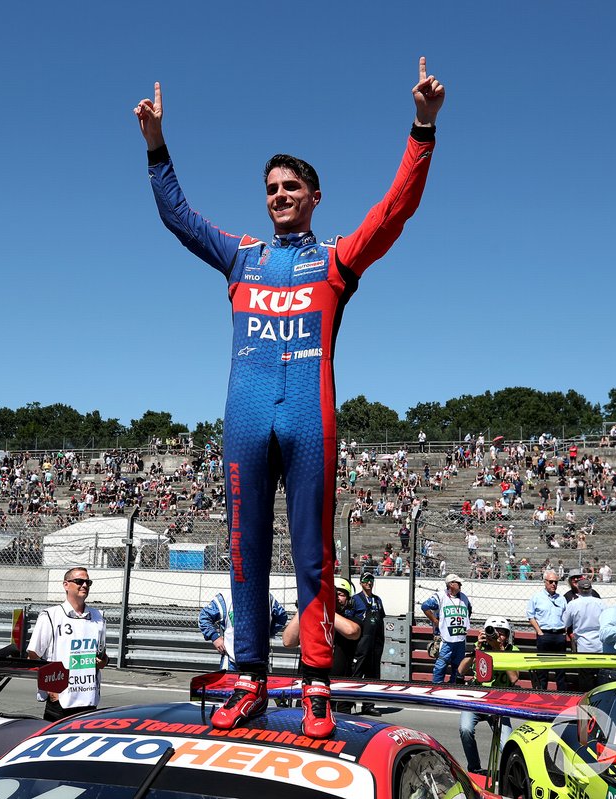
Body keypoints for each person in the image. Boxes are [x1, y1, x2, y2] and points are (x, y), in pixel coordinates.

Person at [136, 57, 444, 739]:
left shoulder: (334, 259)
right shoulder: (242, 255)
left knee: (313, 558)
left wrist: (422, 128)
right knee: (245, 549)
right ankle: (248, 677)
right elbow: (178, 217)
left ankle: (315, 686)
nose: (278, 195)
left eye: (291, 186)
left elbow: (395, 210)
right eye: (271, 187)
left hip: (309, 417)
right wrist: (157, 145)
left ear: (314, 195)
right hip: (245, 419)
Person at [26, 567, 108, 721]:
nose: (84, 585)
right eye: (79, 581)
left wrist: (103, 661)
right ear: (66, 585)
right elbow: (33, 655)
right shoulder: (51, 615)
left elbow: (102, 655)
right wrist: (51, 689)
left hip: (88, 698)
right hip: (61, 701)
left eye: (87, 582)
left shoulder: (98, 617)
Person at [282, 579, 361, 713]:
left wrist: (324, 608)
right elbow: (288, 641)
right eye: (333, 594)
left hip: (338, 696)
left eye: (340, 594)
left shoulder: (352, 620)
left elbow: (352, 631)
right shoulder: (311, 618)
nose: (336, 598)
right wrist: (305, 605)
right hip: (310, 690)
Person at [457, 617, 519, 776]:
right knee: (465, 729)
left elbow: (514, 678)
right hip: (476, 698)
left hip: (499, 702)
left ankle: (510, 775)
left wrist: (500, 651)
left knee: (507, 744)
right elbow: (460, 670)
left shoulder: (512, 650)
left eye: (502, 633)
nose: (497, 636)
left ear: (507, 635)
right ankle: (474, 768)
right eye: (493, 632)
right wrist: (476, 649)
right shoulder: (480, 648)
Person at [198, 589, 288, 670]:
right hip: (231, 661)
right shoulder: (225, 598)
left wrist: (268, 633)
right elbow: (204, 617)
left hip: (259, 661)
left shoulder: (266, 597)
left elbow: (281, 617)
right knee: (229, 687)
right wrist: (215, 637)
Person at [422, 574, 471, 683]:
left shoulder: (464, 598)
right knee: (441, 665)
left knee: (458, 666)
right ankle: (436, 686)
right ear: (451, 584)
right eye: (458, 583)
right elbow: (425, 606)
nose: (460, 585)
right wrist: (435, 621)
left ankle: (455, 686)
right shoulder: (440, 596)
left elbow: (469, 611)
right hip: (444, 638)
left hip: (460, 638)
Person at [349, 571, 386, 714]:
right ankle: (348, 703)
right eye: (366, 580)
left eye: (371, 580)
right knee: (356, 673)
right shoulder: (355, 599)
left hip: (376, 642)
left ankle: (369, 705)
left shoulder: (378, 600)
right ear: (361, 583)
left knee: (373, 674)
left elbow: (381, 618)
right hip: (361, 642)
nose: (369, 583)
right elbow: (349, 620)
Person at [526, 570, 568, 690]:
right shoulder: (537, 597)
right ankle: (542, 692)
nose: (553, 584)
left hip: (559, 635)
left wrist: (564, 631)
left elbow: (566, 615)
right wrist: (539, 632)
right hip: (545, 634)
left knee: (560, 669)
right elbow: (530, 615)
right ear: (545, 582)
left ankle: (561, 694)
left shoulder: (561, 599)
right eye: (551, 582)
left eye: (556, 582)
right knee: (543, 669)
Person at [562, 575, 604, 690]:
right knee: (599, 676)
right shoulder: (600, 603)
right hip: (599, 644)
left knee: (585, 676)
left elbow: (565, 623)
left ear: (579, 589)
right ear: (591, 589)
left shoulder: (573, 604)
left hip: (583, 644)